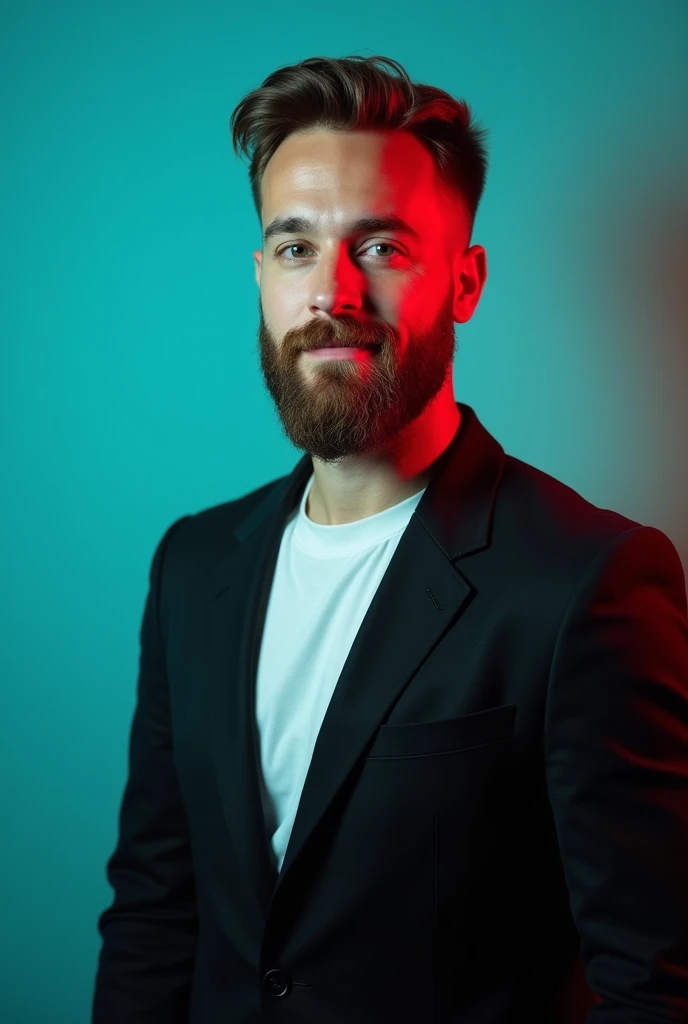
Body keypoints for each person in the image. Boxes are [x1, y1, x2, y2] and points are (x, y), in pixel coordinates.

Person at [92, 54, 688, 1024]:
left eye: (379, 248)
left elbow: (651, 986)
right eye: (294, 249)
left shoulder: (589, 585)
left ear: (464, 280)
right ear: (260, 275)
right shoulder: (192, 565)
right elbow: (156, 915)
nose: (332, 292)